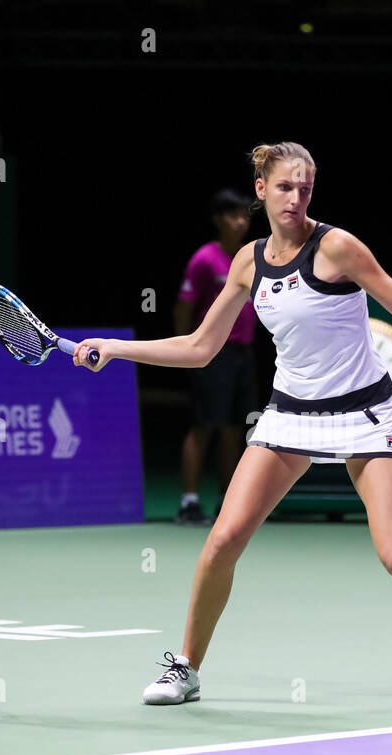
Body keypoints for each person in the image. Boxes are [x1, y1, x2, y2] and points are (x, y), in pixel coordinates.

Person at [73, 142, 392, 707]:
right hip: (290, 417)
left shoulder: (339, 247)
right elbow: (200, 347)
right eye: (286, 187)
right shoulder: (246, 262)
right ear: (261, 191)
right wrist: (117, 349)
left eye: (306, 188)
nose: (297, 197)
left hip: (363, 415)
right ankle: (187, 667)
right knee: (222, 539)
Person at [173, 188, 258, 525]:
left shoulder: (247, 259)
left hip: (244, 354)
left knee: (234, 430)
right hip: (211, 355)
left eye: (245, 216)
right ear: (218, 219)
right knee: (205, 425)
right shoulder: (204, 259)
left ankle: (228, 503)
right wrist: (186, 354)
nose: (241, 222)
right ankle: (189, 502)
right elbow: (183, 311)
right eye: (234, 216)